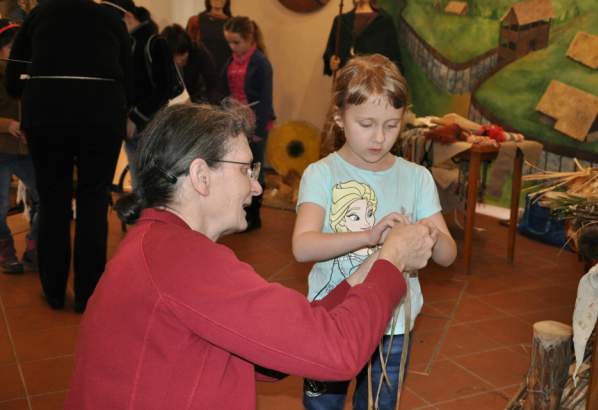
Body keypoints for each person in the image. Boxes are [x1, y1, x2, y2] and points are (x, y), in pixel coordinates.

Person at [65, 103, 436, 409]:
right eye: (246, 169)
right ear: (201, 175)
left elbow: (277, 347)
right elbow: (338, 353)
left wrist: (367, 271)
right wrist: (392, 261)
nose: (257, 187)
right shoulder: (184, 261)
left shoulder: (158, 245)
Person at [293, 54, 457, 409]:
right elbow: (303, 246)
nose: (379, 137)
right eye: (366, 124)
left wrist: (426, 236)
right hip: (332, 319)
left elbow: (448, 256)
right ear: (340, 117)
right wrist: (369, 237)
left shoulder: (417, 178)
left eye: (391, 125)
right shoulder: (321, 174)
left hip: (392, 327)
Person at [4, 0, 133, 311]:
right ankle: (89, 292)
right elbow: (130, 75)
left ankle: (54, 290)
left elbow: (13, 78)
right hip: (102, 113)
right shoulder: (110, 20)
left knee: (53, 199)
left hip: (47, 113)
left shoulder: (39, 16)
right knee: (94, 200)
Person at [101, 0, 173, 183]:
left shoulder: (155, 42)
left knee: (152, 184)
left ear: (128, 17)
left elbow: (164, 89)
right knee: (139, 184)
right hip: (131, 125)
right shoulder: (124, 43)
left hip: (151, 124)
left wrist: (135, 117)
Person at [221, 16, 274, 231]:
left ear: (249, 39)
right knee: (237, 166)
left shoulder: (261, 62)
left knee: (255, 168)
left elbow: (266, 99)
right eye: (229, 43)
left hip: (255, 124)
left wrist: (259, 130)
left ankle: (254, 216)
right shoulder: (230, 60)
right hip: (235, 123)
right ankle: (239, 211)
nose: (232, 47)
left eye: (236, 42)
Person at [0, 18, 38, 274]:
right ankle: (6, 251)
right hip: (1, 150)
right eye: (11, 46)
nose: (17, 52)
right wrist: (8, 125)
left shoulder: (31, 73)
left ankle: (34, 246)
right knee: (0, 207)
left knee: (47, 198)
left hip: (29, 150)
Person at [322, 0, 403, 76]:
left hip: (374, 80)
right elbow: (330, 50)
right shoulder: (341, 21)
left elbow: (394, 56)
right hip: (347, 78)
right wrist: (331, 60)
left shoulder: (384, 21)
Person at [186, 0, 232, 92]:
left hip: (225, 81)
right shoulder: (195, 21)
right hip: (200, 82)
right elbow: (188, 52)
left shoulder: (233, 24)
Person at [161, 23, 218, 104]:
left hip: (198, 102)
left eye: (182, 54)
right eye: (173, 57)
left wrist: (196, 101)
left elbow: (212, 84)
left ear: (189, 47)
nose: (178, 61)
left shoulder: (199, 52)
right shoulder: (160, 59)